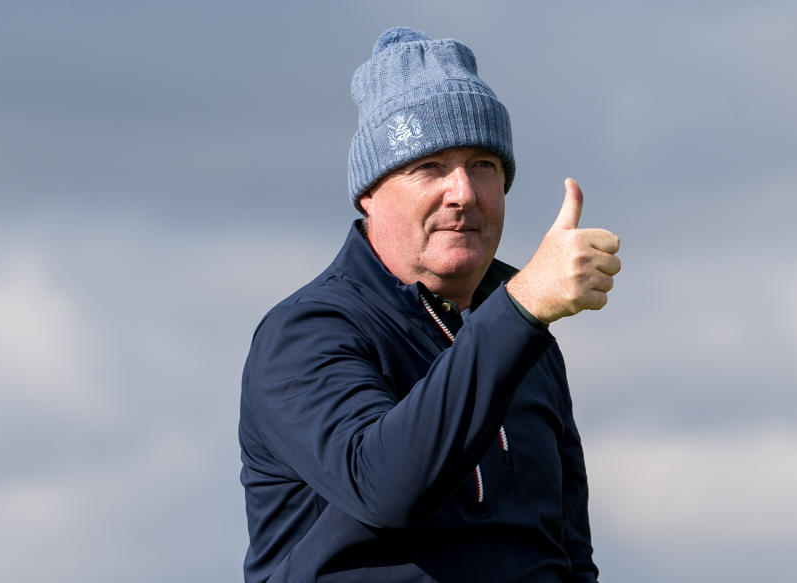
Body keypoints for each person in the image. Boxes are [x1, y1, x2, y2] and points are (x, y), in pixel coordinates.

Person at [239, 26, 620, 583]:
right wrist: (519, 310)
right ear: (370, 193)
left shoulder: (527, 338)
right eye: (429, 167)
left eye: (484, 165)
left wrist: (517, 316)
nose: (462, 192)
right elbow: (384, 486)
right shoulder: (305, 333)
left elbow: (570, 552)